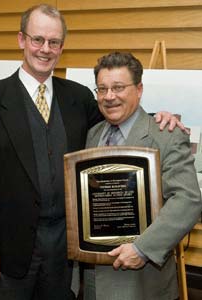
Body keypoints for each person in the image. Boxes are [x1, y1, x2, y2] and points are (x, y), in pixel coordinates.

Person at [0, 4, 186, 300]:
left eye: (54, 42)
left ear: (61, 47)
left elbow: (119, 113)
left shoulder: (77, 98)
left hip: (65, 256)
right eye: (37, 39)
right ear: (21, 40)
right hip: (8, 252)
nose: (45, 49)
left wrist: (161, 117)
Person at [84, 51, 202, 300]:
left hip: (143, 281)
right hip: (95, 278)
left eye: (118, 87)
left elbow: (188, 199)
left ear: (139, 89)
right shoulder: (93, 134)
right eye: (102, 89)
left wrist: (142, 249)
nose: (109, 97)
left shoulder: (165, 134)